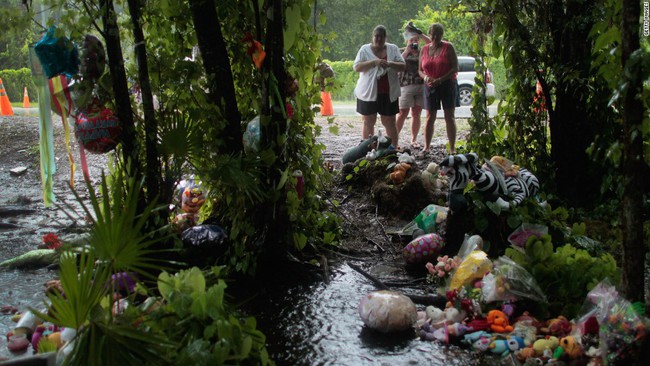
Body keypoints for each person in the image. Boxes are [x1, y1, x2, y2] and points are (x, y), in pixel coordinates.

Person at [353, 25, 405, 149]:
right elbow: (357, 67)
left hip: (388, 92)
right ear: (372, 37)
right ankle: (367, 149)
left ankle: (392, 149)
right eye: (376, 36)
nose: (379, 39)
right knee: (368, 121)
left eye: (381, 37)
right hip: (368, 92)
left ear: (385, 38)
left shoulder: (393, 49)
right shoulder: (364, 50)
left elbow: (403, 66)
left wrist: (390, 64)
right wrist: (374, 62)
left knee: (390, 122)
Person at [418, 23, 459, 156]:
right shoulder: (424, 49)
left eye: (438, 34)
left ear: (442, 35)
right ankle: (426, 147)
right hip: (430, 86)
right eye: (433, 34)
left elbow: (455, 67)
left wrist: (440, 79)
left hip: (447, 84)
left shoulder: (448, 47)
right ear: (429, 34)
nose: (435, 37)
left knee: (449, 116)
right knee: (430, 117)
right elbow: (419, 70)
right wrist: (426, 78)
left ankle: (452, 148)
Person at [396, 22, 431, 151]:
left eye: (416, 40)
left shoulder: (423, 51)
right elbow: (397, 62)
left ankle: (413, 139)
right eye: (412, 40)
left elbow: (432, 44)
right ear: (407, 41)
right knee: (402, 113)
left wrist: (421, 34)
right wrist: (407, 51)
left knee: (416, 113)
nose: (414, 42)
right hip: (405, 85)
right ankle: (394, 139)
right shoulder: (401, 51)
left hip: (421, 85)